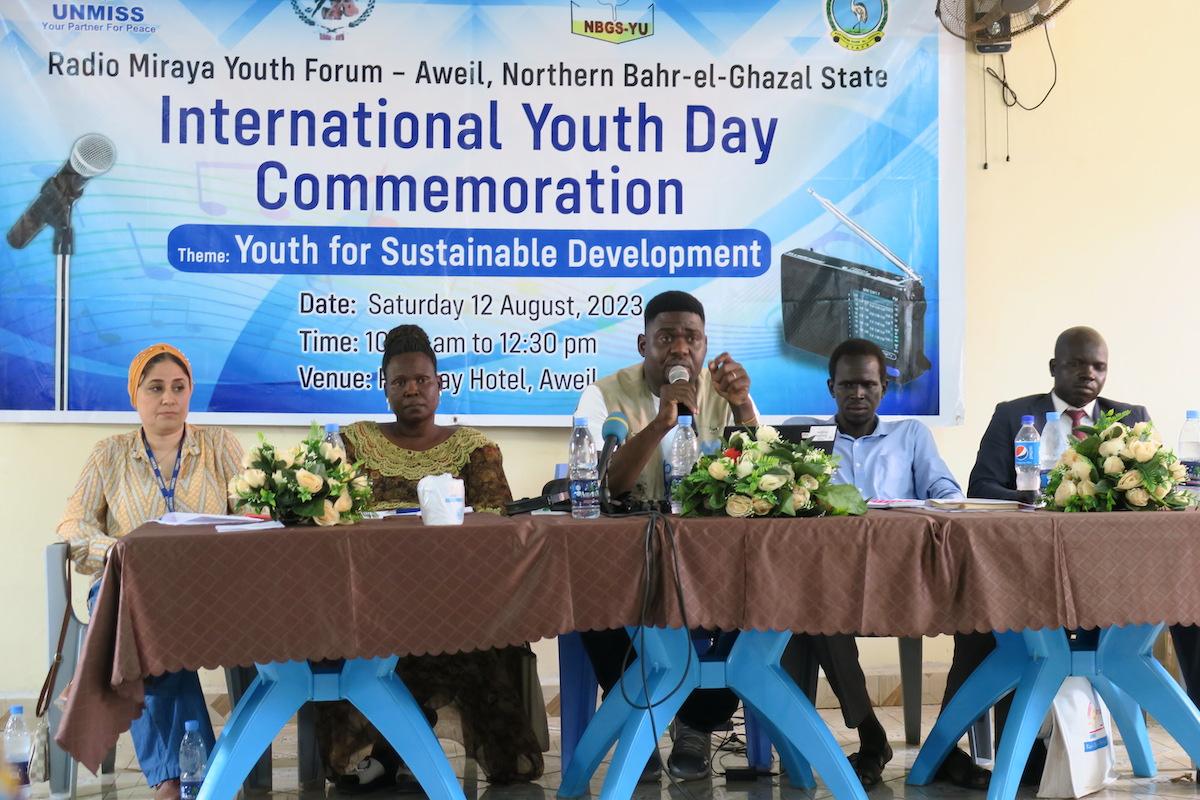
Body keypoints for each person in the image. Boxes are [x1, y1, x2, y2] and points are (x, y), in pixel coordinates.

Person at [315, 324, 547, 791]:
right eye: (400, 382)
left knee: (472, 644)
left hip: (457, 604)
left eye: (422, 380)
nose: (412, 390)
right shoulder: (351, 444)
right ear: (384, 388)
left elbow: (497, 535)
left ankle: (400, 752)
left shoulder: (474, 449)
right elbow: (325, 523)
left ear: (440, 385)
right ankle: (396, 751)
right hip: (369, 603)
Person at [939, 326, 1160, 789]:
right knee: (978, 624)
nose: (1088, 374)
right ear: (1054, 367)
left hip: (1103, 577)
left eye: (1098, 366)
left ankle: (1058, 750)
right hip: (1022, 569)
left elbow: (1150, 492)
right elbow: (981, 486)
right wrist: (1032, 498)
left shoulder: (1131, 420)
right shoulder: (1013, 415)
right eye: (1077, 364)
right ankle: (953, 751)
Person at [572, 290, 757, 781]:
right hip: (625, 561)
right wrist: (660, 422)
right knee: (588, 594)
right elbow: (601, 484)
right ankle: (637, 723)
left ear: (705, 345)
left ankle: (697, 723)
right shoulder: (603, 395)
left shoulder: (726, 393)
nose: (680, 348)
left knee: (764, 592)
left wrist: (742, 407)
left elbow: (760, 477)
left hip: (712, 563)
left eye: (691, 338)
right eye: (666, 337)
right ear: (643, 344)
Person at [56, 343, 244, 800]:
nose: (168, 398)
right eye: (155, 388)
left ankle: (176, 778)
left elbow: (252, 513)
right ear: (135, 395)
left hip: (206, 591)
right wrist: (120, 552)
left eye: (179, 388)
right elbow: (72, 526)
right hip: (128, 590)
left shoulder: (219, 446)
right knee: (140, 614)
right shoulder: (109, 453)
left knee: (148, 621)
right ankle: (188, 776)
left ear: (190, 392)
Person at [782, 338, 962, 787]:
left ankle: (942, 746)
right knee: (811, 609)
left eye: (868, 384)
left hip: (903, 579)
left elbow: (948, 493)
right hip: (831, 581)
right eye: (847, 385)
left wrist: (932, 505)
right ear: (831, 388)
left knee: (979, 615)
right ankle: (870, 734)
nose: (857, 393)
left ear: (884, 387)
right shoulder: (803, 437)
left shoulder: (911, 435)